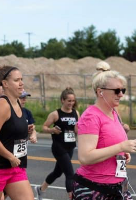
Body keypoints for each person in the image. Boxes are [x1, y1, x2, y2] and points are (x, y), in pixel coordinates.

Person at [73, 68, 136, 199]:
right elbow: (85, 157)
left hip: (118, 185)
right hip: (95, 188)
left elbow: (110, 143)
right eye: (117, 91)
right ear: (100, 92)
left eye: (122, 90)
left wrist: (123, 153)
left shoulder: (113, 113)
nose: (121, 95)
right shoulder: (91, 117)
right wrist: (120, 147)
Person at [0, 66, 33, 200]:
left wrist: (27, 131)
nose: (21, 83)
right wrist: (10, 156)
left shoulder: (17, 103)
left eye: (21, 79)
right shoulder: (2, 104)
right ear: (5, 84)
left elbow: (10, 130)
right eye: (16, 80)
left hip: (15, 167)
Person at [34, 87, 80, 200]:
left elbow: (77, 129)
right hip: (59, 147)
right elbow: (44, 127)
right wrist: (52, 130)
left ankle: (40, 189)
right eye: (69, 100)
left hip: (70, 146)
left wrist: (80, 132)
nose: (71, 103)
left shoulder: (76, 113)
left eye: (73, 101)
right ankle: (72, 197)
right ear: (62, 100)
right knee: (70, 174)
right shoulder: (55, 114)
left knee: (57, 172)